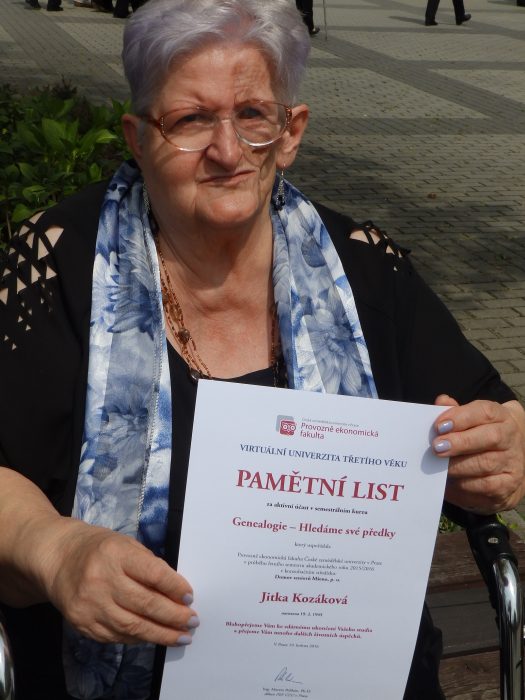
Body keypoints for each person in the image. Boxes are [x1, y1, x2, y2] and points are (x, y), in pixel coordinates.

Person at [1, 0, 524, 698]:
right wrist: (55, 547)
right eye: (191, 120)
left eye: (252, 114)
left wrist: (497, 453)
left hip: (353, 672)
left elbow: (491, 415)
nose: (227, 151)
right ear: (138, 136)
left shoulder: (362, 269)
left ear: (290, 131)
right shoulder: (58, 266)